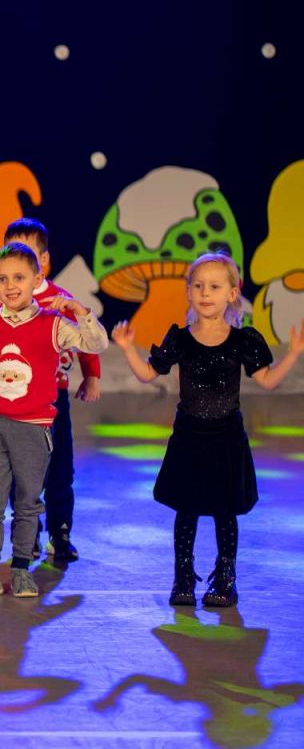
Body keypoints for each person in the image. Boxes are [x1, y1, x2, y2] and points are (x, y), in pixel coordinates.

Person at [112, 252, 303, 606]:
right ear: (188, 292)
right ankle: (183, 577)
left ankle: (225, 579)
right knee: (186, 511)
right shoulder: (181, 339)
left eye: (214, 286)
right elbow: (148, 374)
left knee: (224, 512)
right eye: (198, 286)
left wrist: (292, 353)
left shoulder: (242, 340)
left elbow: (267, 380)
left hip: (226, 440)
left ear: (232, 293)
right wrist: (126, 349)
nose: (205, 293)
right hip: (189, 438)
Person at [0, 243, 108, 599]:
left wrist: (80, 312)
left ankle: (21, 568)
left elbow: (96, 344)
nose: (10, 285)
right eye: (2, 279)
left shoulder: (53, 324)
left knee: (28, 501)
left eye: (19, 277)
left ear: (37, 279)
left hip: (33, 428)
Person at [0, 218, 102, 561]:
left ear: (43, 261)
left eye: (27, 254)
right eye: (11, 253)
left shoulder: (60, 299)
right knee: (21, 470)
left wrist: (91, 376)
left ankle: (60, 532)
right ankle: (26, 533)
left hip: (53, 397)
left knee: (59, 467)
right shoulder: (2, 303)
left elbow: (85, 339)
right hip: (15, 400)